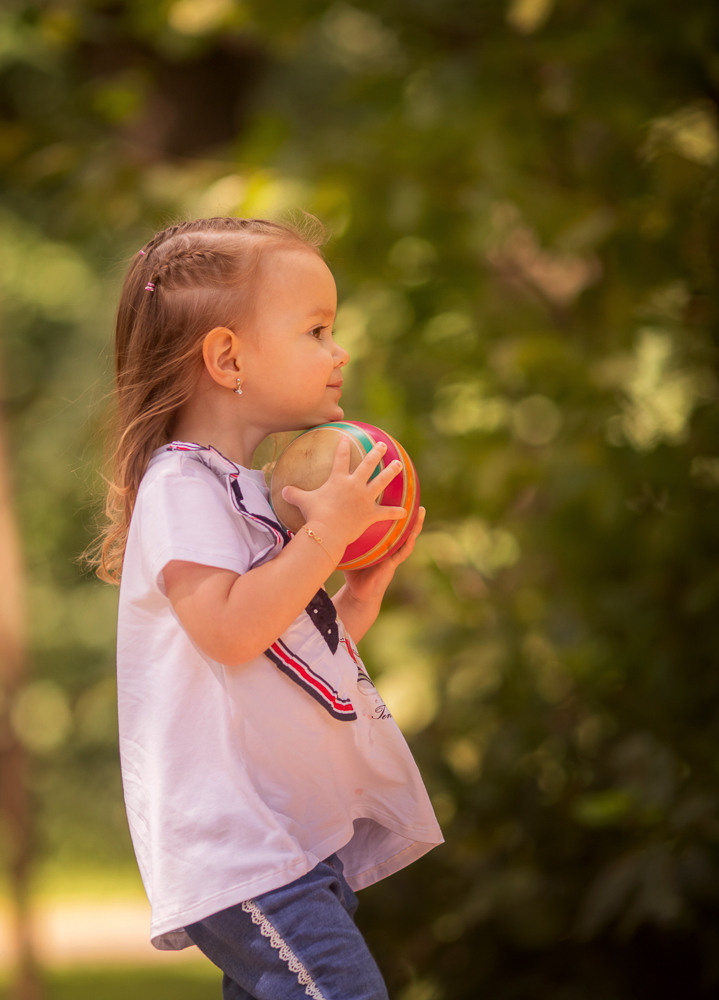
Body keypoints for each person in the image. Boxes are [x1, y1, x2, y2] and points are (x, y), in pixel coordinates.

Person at [92, 216, 443, 1000]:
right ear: (226, 357)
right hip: (241, 850)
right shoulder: (180, 486)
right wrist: (323, 538)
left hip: (284, 842)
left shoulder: (245, 490)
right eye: (317, 329)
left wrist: (358, 596)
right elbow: (229, 630)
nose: (338, 350)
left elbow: (279, 654)